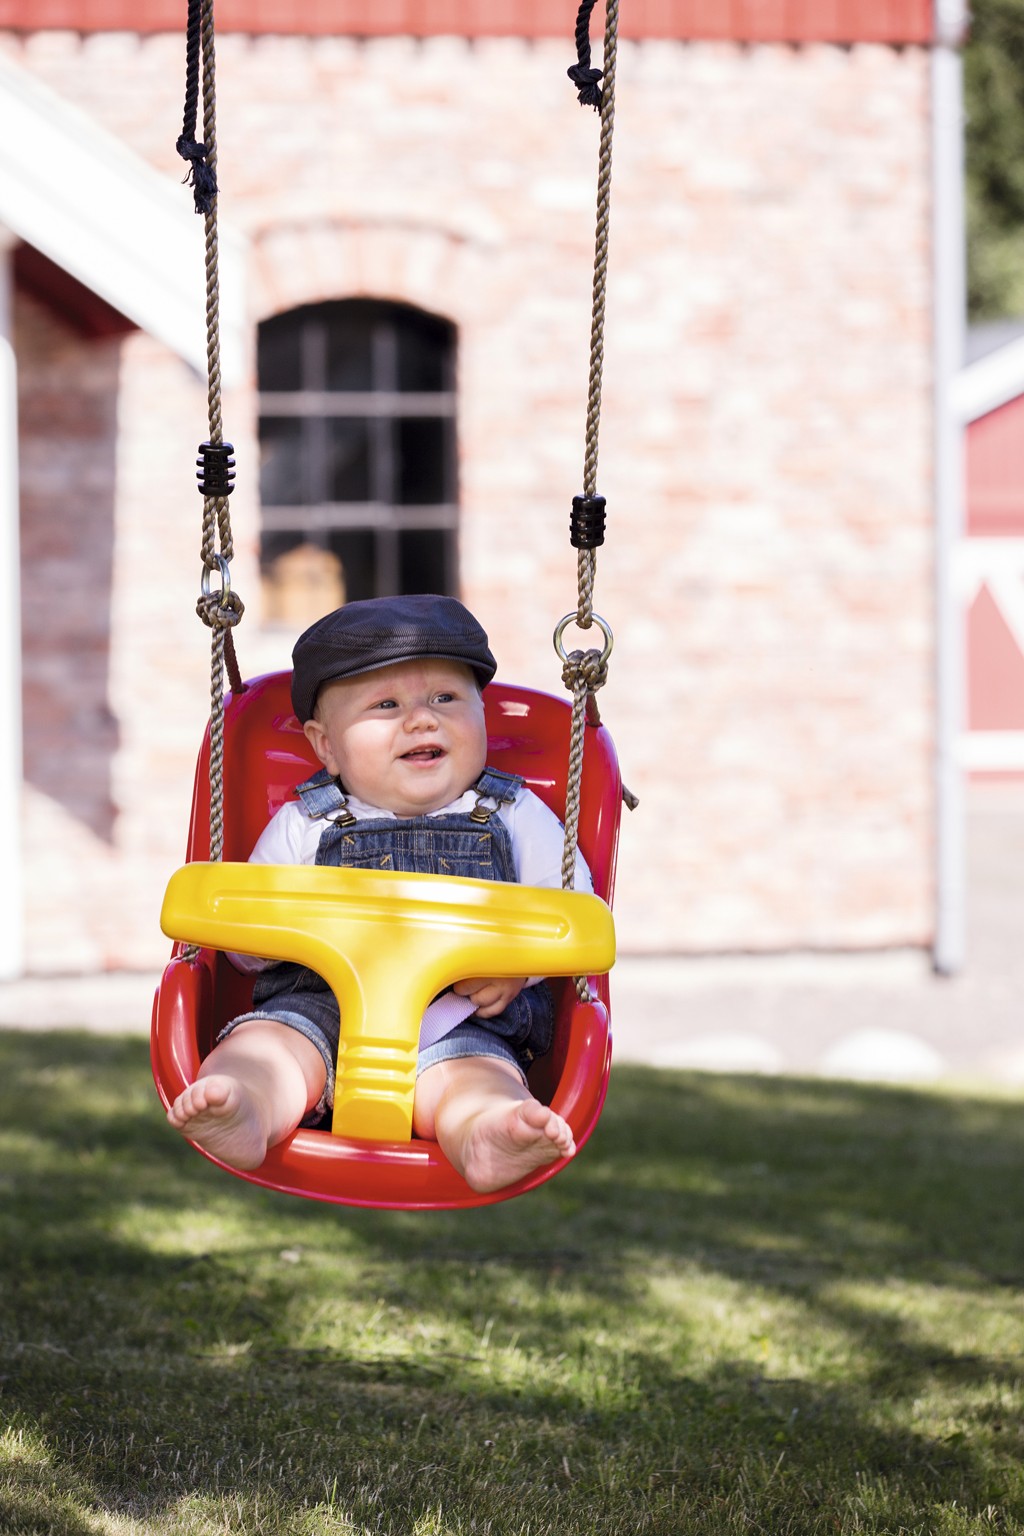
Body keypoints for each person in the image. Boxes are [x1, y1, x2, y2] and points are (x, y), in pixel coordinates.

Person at [167, 593, 593, 1193]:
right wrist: (272, 939)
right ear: (326, 746)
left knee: (472, 1080)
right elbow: (243, 937)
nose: (422, 719)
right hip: (315, 1009)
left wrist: (517, 969)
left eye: (446, 698)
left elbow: (572, 910)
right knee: (265, 1049)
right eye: (386, 704)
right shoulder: (306, 822)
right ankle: (245, 1109)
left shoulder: (512, 810)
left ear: (482, 717)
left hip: (459, 1018)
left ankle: (488, 1135)